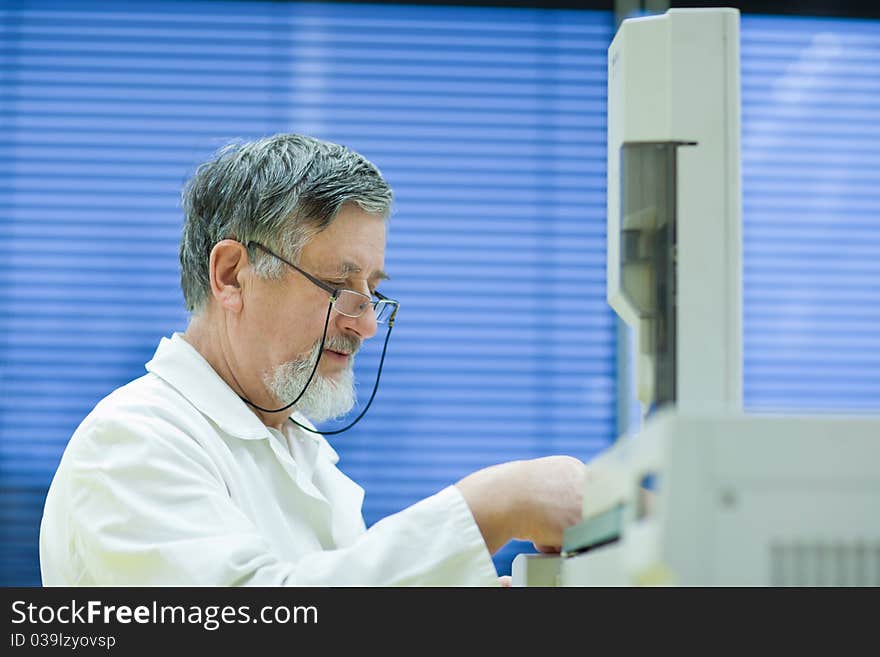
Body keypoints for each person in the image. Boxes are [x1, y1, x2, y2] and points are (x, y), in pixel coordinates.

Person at [39, 134, 586, 586]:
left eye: (371, 290)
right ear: (231, 275)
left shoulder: (297, 447)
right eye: (335, 284)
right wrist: (489, 507)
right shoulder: (131, 443)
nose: (365, 323)